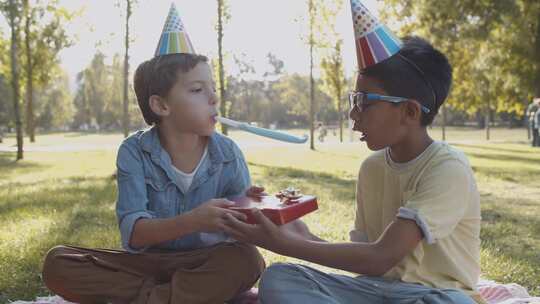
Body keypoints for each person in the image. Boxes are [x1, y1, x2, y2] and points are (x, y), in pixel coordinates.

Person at [223, 1, 485, 303]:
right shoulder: (372, 168)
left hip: (436, 295)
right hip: (373, 291)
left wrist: (284, 244)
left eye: (364, 101)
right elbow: (365, 259)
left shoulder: (447, 168)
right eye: (353, 99)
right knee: (281, 278)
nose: (352, 113)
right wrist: (302, 236)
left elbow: (381, 257)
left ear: (410, 112)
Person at [41, 4, 264, 304]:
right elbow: (134, 234)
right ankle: (178, 297)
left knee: (247, 260)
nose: (214, 98)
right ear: (161, 106)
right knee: (58, 262)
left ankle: (152, 298)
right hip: (145, 264)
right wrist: (193, 220)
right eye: (198, 90)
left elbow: (240, 236)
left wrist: (250, 209)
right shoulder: (134, 152)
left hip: (205, 261)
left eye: (213, 87)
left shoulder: (228, 153)